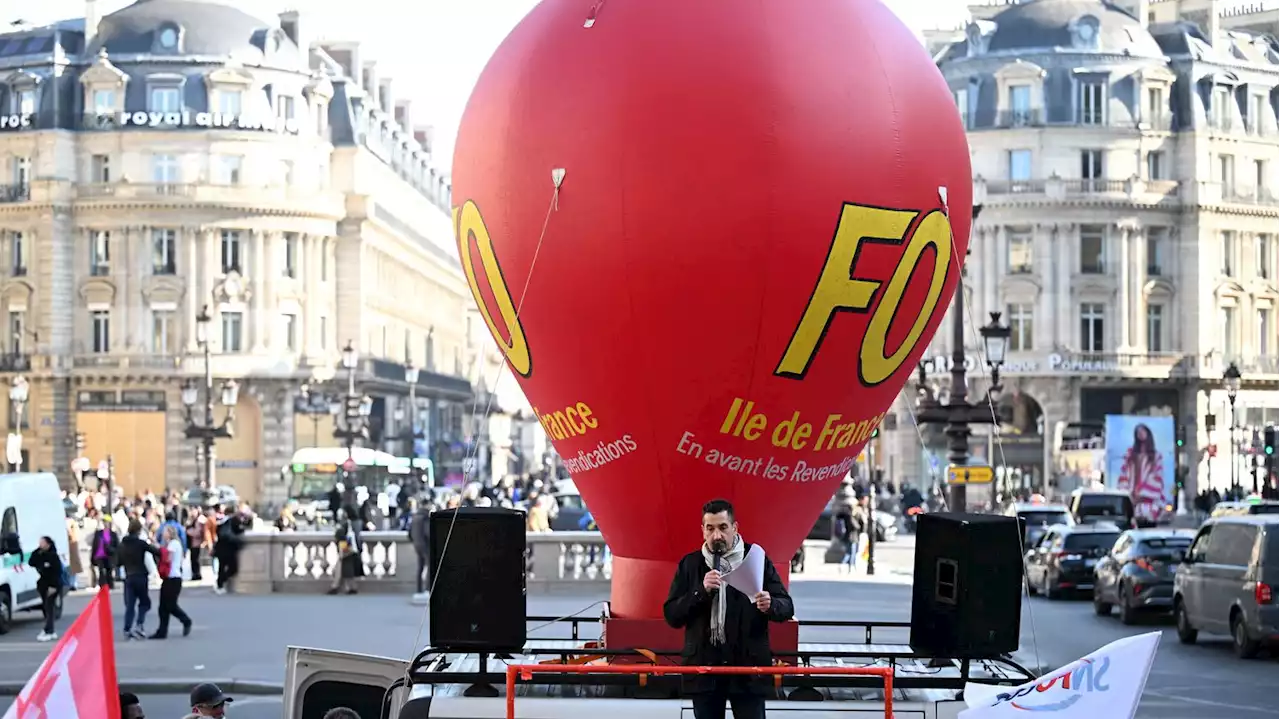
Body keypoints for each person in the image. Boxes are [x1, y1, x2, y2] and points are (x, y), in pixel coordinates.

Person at [664, 498, 794, 719]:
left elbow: (786, 606)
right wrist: (700, 592)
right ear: (703, 531)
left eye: (723, 528)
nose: (717, 535)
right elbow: (672, 615)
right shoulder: (691, 564)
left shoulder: (755, 559)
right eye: (710, 528)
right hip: (705, 670)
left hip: (748, 670)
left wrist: (771, 604)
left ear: (735, 528)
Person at [1117, 422, 1166, 525]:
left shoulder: (1156, 456)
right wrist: (1128, 493)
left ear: (1148, 434)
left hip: (1147, 501)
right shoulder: (1130, 454)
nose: (1141, 434)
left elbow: (1157, 477)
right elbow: (1123, 473)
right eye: (1138, 432)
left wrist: (1142, 492)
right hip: (1131, 496)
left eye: (1143, 431)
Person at [118, 518, 159, 640]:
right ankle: (139, 624)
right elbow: (156, 552)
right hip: (141, 575)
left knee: (130, 605)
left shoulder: (123, 544)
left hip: (129, 576)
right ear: (139, 530)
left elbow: (118, 562)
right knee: (145, 603)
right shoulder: (141, 543)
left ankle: (127, 629)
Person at [151, 524, 193, 639]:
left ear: (170, 533)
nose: (163, 534)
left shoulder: (173, 544)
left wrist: (158, 550)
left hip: (173, 578)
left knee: (170, 605)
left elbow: (168, 558)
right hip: (170, 578)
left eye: (165, 531)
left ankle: (186, 620)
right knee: (163, 606)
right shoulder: (171, 544)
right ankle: (162, 631)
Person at [27, 536, 63, 642]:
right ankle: (48, 629)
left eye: (42, 543)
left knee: (50, 607)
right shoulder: (40, 554)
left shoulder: (53, 556)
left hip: (53, 585)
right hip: (43, 584)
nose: (41, 544)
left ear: (48, 544)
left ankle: (49, 630)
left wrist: (53, 586)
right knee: (46, 607)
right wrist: (38, 550)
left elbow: (57, 572)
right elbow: (31, 562)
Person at [328, 510, 363, 595]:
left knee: (340, 570)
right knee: (348, 571)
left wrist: (341, 554)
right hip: (351, 551)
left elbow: (341, 540)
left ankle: (336, 587)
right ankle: (350, 587)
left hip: (346, 552)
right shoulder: (353, 524)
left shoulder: (341, 528)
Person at [408, 499, 431, 596]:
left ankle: (418, 589)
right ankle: (427, 589)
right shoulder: (425, 517)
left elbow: (409, 533)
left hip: (417, 544)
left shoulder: (415, 517)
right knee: (430, 567)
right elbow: (428, 533)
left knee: (420, 568)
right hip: (426, 545)